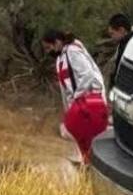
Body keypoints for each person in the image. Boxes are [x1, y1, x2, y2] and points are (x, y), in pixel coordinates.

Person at [42, 29, 108, 165]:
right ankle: (87, 162)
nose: (48, 51)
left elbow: (88, 74)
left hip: (88, 102)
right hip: (79, 104)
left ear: (57, 42)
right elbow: (65, 89)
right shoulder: (61, 58)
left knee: (87, 136)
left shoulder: (72, 51)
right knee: (78, 134)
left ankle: (91, 164)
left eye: (49, 47)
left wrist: (78, 97)